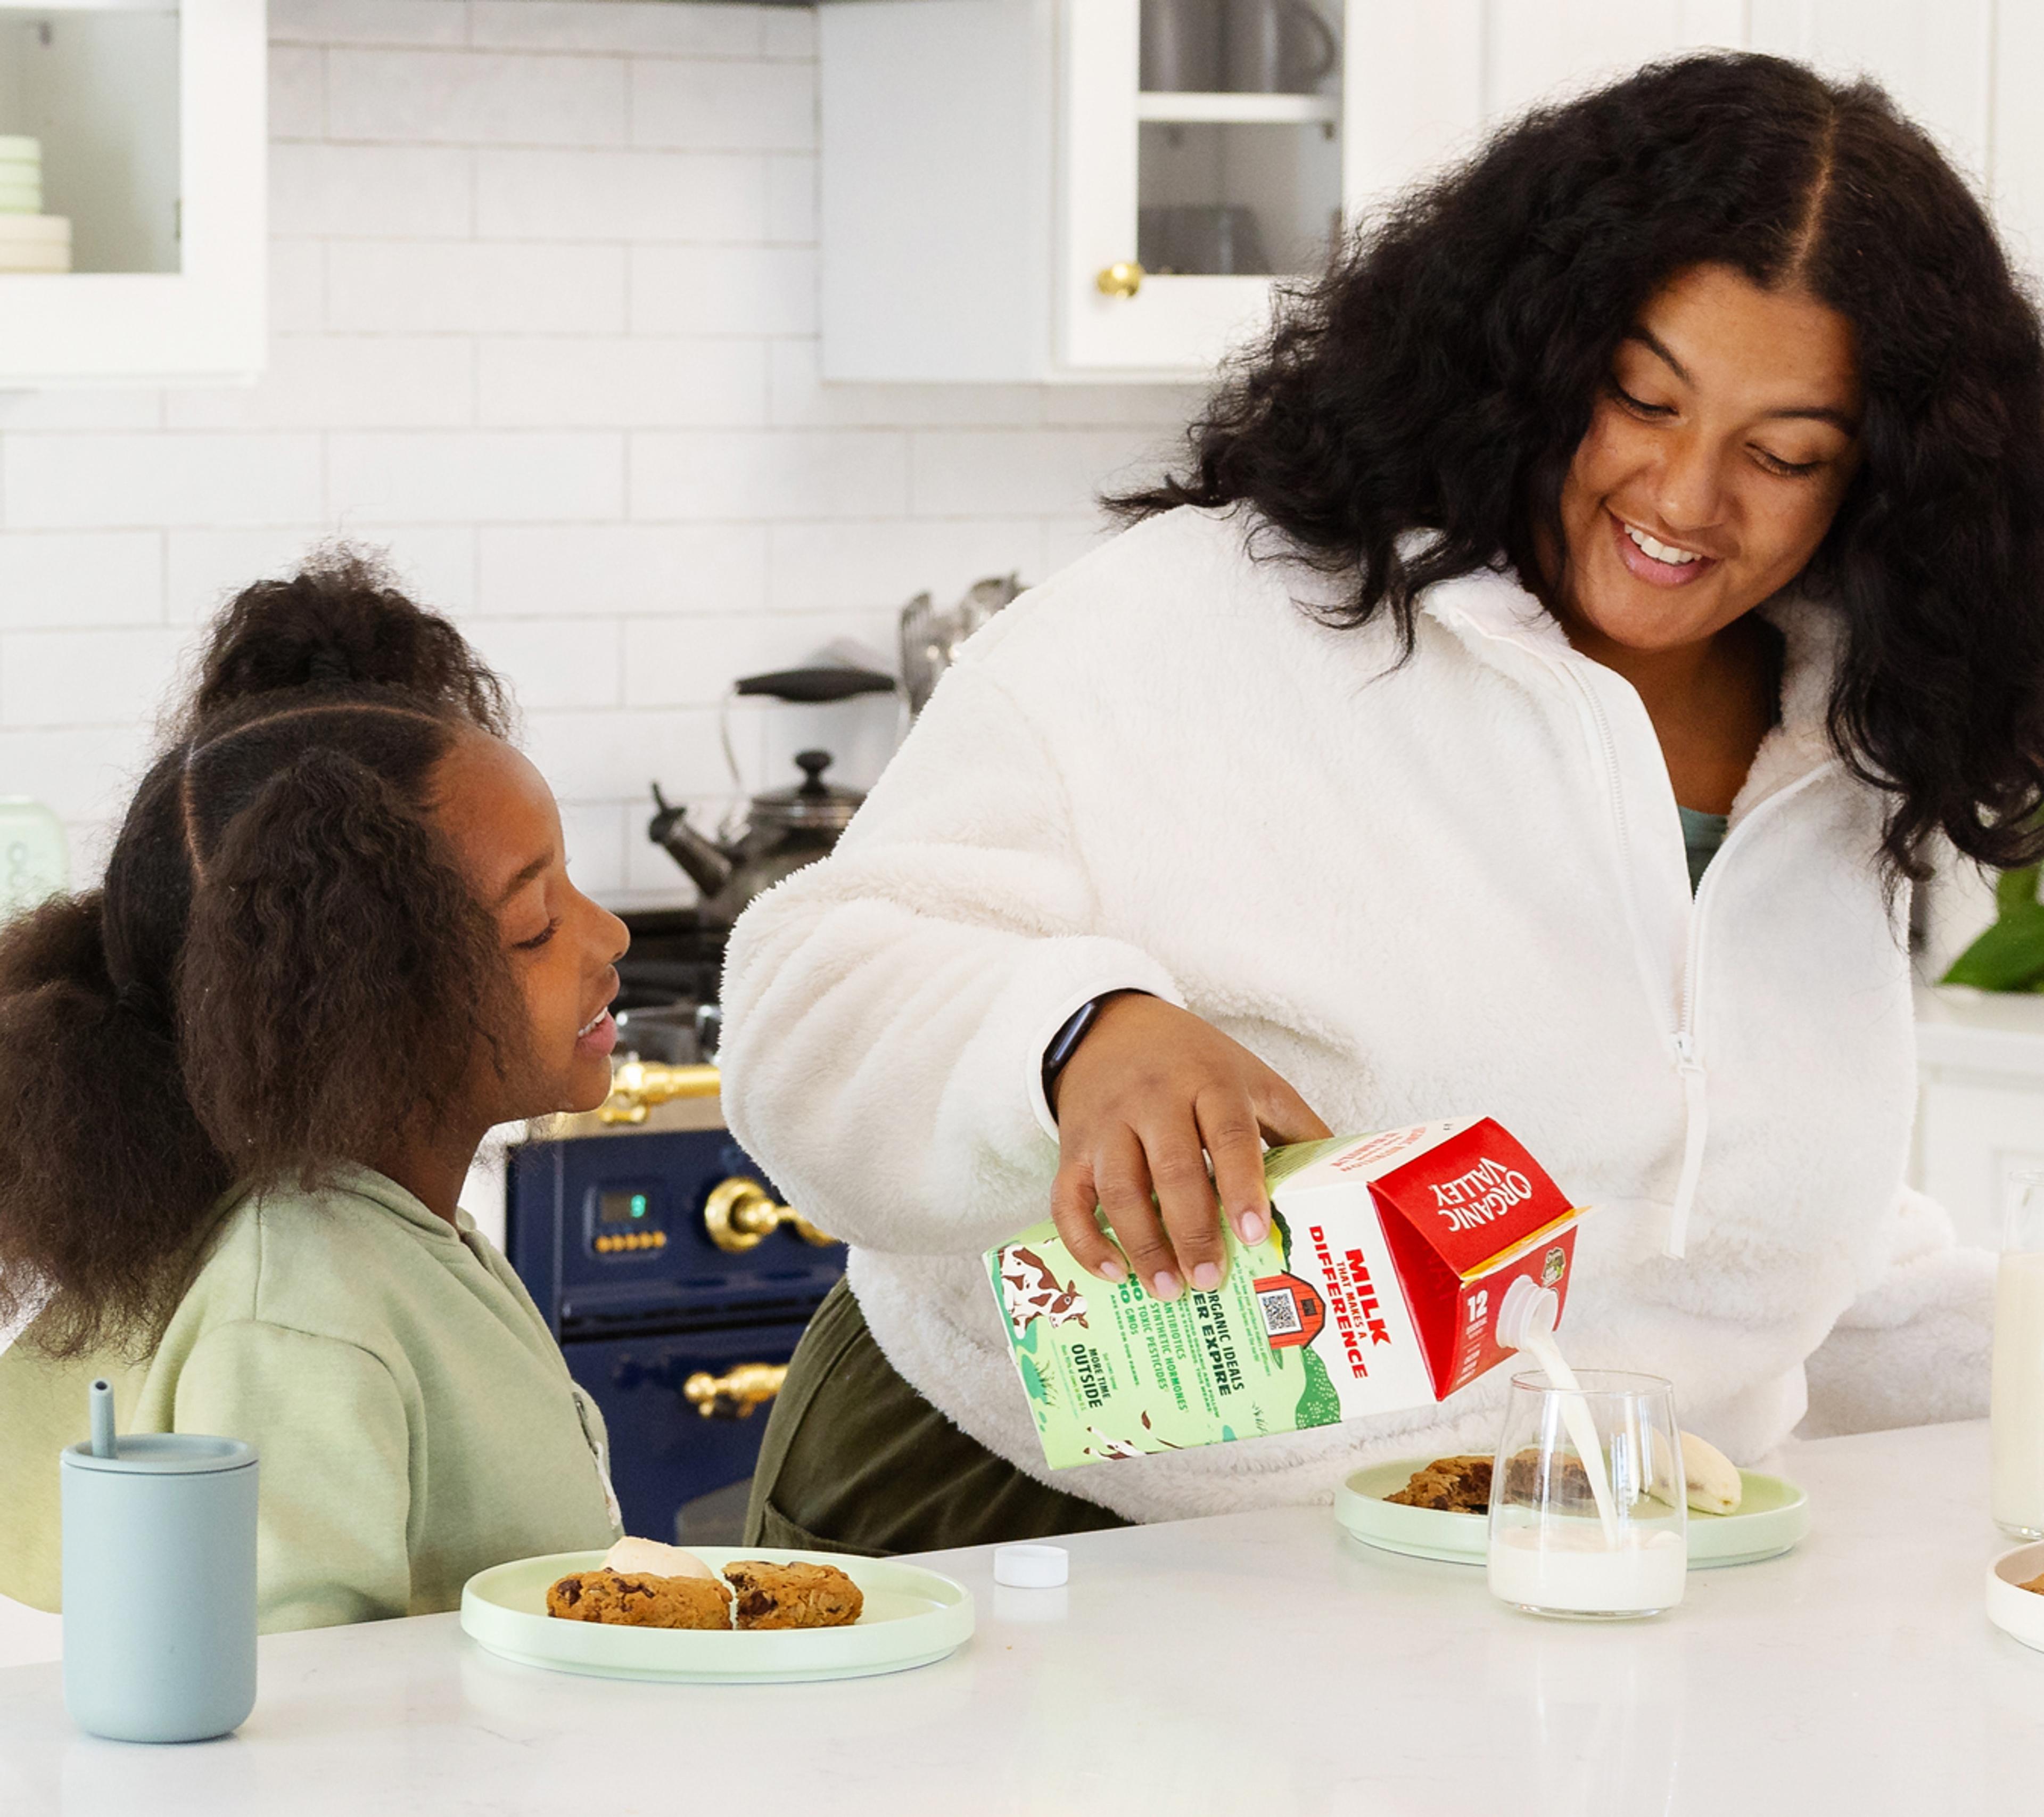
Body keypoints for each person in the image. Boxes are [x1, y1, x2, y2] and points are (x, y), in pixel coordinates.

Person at [720, 51, 2044, 1553]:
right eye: (1641, 397)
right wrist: (1080, 1033)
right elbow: (804, 991)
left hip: (1554, 1566)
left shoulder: (1848, 748)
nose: (1685, 498)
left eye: (1783, 452)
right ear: (1537, 351)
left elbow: (1741, 1253)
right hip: (1048, 1517)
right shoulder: (1219, 616)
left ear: (1882, 475)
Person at [0, 554, 631, 1629]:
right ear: (364, 1010)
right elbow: (300, 1738)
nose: (610, 936)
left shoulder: (397, 1244)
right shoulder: (299, 1310)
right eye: (534, 925)